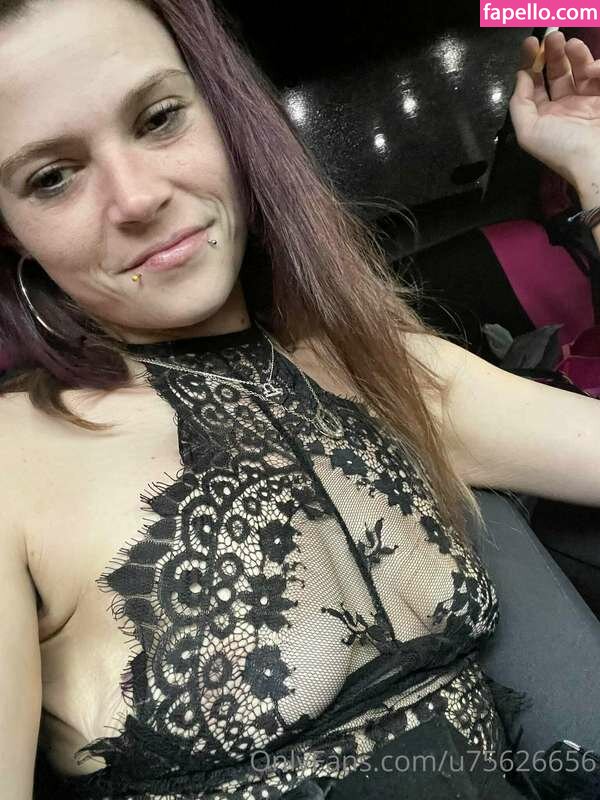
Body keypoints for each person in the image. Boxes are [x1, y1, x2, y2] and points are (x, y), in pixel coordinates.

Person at [0, 1, 598, 797]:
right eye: (51, 178)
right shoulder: (12, 466)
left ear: (226, 117)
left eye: (160, 118)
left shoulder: (386, 368)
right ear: (11, 232)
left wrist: (593, 168)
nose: (136, 198)